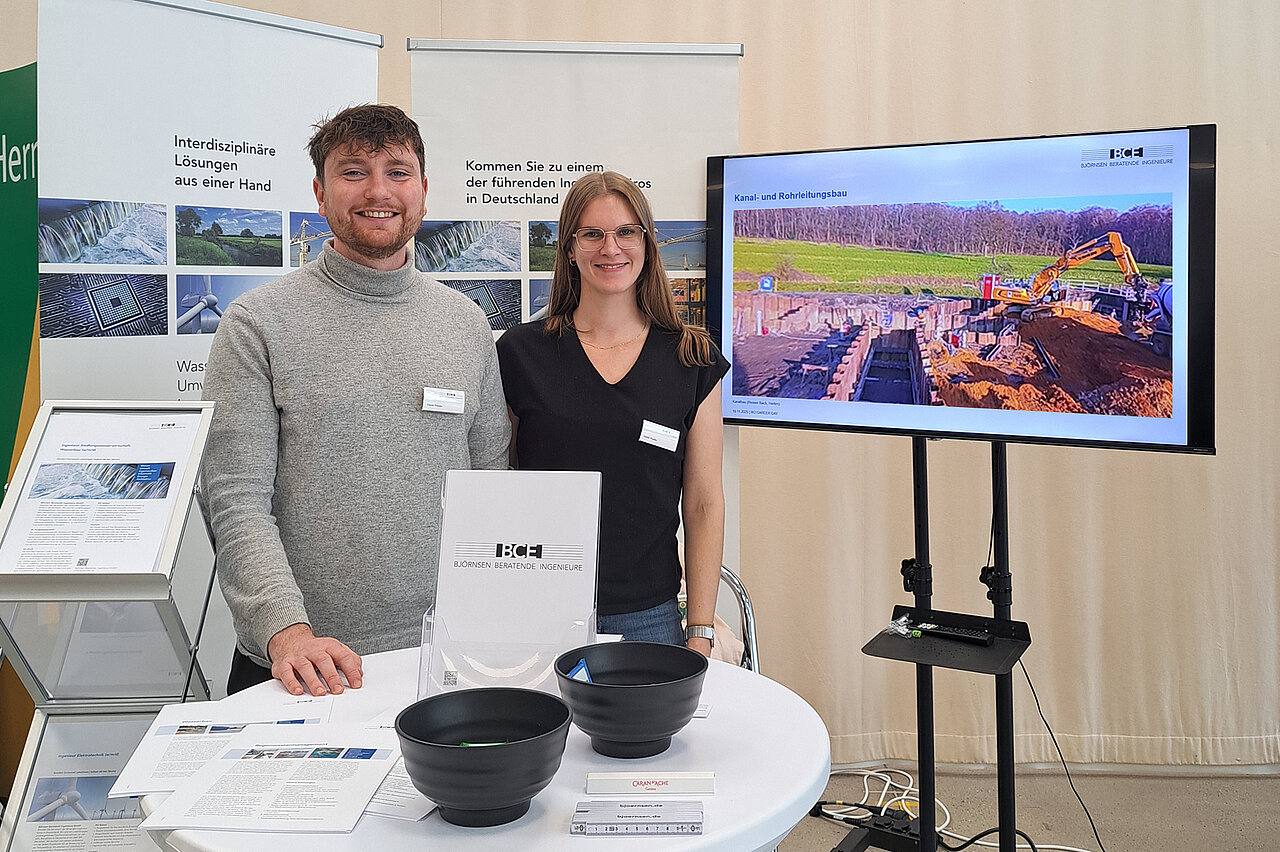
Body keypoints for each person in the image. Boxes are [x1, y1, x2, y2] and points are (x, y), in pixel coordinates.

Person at [199, 104, 509, 697]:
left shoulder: (466, 324)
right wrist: (286, 632)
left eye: (397, 171)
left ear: (423, 189)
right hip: (303, 668)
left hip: (442, 662)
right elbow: (235, 500)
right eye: (353, 171)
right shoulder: (256, 325)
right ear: (319, 193)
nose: (378, 191)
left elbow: (490, 486)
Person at [496, 172, 729, 657]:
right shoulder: (520, 354)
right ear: (570, 248)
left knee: (647, 737)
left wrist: (701, 629)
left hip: (649, 617)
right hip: (537, 608)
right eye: (592, 234)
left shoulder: (692, 359)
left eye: (626, 231)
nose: (611, 248)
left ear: (647, 242)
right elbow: (501, 478)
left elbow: (704, 503)